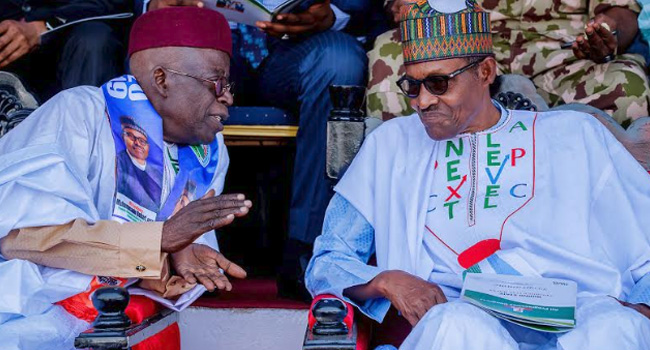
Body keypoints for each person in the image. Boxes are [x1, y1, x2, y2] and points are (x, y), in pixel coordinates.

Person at [306, 1, 650, 349]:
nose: (422, 101)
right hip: (461, 316)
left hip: (578, 311)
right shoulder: (390, 145)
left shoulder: (576, 134)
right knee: (458, 326)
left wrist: (642, 308)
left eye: (439, 83)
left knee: (615, 327)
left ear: (485, 72)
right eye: (412, 86)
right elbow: (329, 261)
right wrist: (386, 280)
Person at [0, 7, 251, 350]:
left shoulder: (210, 150)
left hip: (105, 311)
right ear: (162, 79)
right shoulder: (79, 113)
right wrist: (160, 238)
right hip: (23, 306)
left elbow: (161, 249)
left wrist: (179, 253)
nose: (228, 98)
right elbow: (23, 238)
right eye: (217, 83)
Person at [140, 0, 368, 296]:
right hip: (200, 35)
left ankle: (311, 253)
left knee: (340, 62)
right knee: (168, 62)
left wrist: (334, 12)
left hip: (300, 42)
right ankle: (164, 245)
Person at [367, 0, 650, 126]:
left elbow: (621, 11)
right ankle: (417, 207)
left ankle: (599, 219)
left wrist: (606, 31)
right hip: (462, 50)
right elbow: (399, 5)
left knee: (628, 89)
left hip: (565, 56)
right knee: (392, 58)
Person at [0, 0, 131, 103]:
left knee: (93, 39)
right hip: (9, 51)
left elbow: (113, 4)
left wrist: (43, 26)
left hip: (71, 38)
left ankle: (82, 129)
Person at [116, 116, 164, 213]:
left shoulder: (158, 174)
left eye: (142, 141)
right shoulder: (117, 164)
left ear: (148, 147)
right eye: (132, 137)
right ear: (123, 137)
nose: (137, 143)